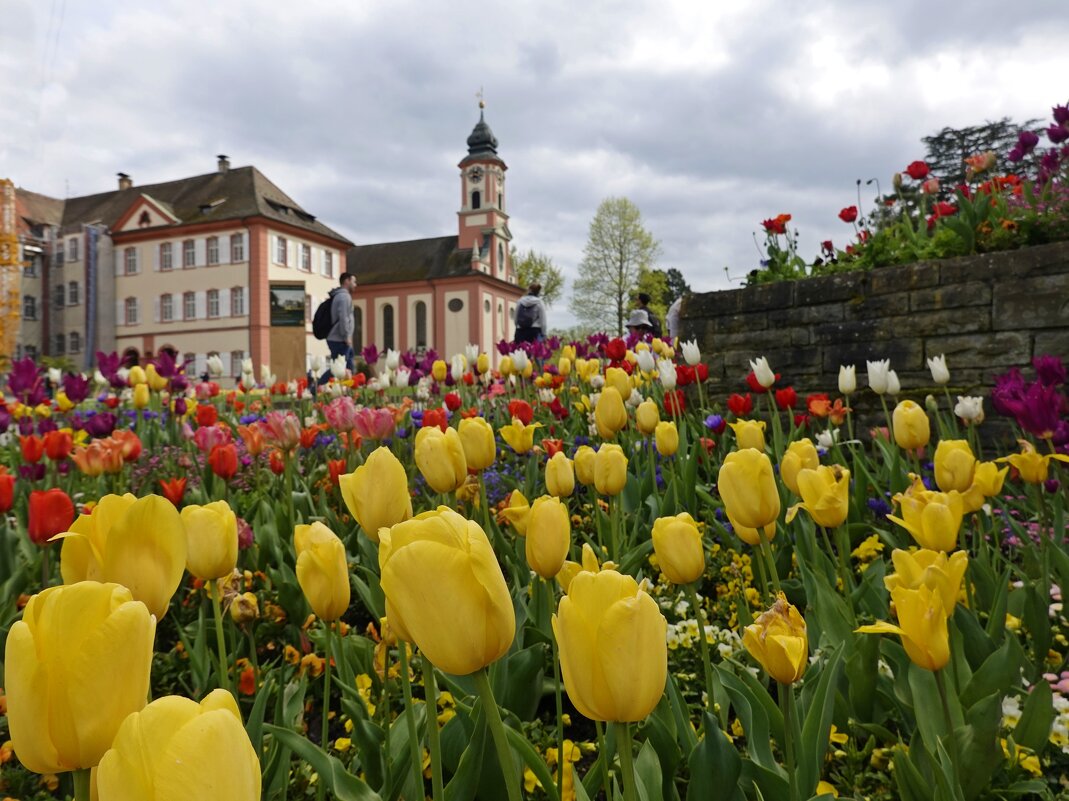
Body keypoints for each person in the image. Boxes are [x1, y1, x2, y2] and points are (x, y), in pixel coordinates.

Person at [318, 272, 357, 386]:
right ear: (347, 281)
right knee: (338, 369)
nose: (356, 284)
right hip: (339, 339)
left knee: (348, 367)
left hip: (339, 339)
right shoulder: (344, 297)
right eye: (353, 281)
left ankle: (347, 393)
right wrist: (346, 336)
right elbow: (343, 317)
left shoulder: (339, 296)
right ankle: (315, 389)